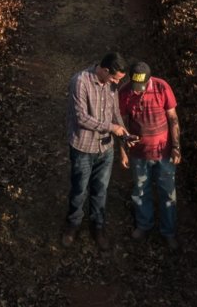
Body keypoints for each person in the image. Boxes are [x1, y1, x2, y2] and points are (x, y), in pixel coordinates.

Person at [63, 52, 131, 249]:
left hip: (105, 148)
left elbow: (115, 112)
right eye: (115, 78)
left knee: (100, 190)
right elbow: (81, 118)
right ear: (105, 70)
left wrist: (124, 134)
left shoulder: (111, 84)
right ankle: (73, 225)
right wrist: (112, 128)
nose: (116, 83)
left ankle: (97, 227)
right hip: (83, 147)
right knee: (79, 190)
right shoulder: (80, 81)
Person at [118, 60, 181, 250]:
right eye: (135, 86)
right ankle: (144, 225)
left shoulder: (162, 88)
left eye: (142, 86)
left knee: (168, 193)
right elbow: (121, 123)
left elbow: (173, 118)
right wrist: (123, 150)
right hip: (139, 153)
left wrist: (176, 146)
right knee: (140, 190)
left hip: (163, 152)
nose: (138, 91)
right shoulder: (125, 92)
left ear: (149, 79)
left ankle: (168, 231)